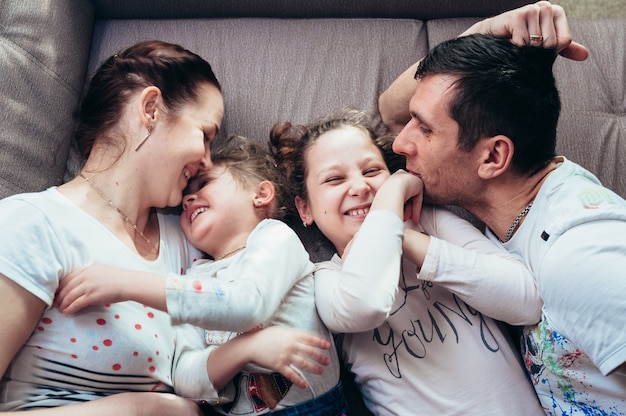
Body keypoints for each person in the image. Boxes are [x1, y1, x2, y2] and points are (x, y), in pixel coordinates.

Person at [0, 40, 330, 415]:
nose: (207, 160)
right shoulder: (32, 225)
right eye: (205, 135)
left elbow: (244, 299)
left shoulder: (191, 240)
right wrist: (136, 409)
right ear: (151, 108)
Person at [384, 30, 626, 416]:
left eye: (424, 129)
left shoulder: (581, 255)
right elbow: (388, 108)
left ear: (493, 157)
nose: (400, 143)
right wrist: (490, 29)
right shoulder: (524, 200)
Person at [269, 106, 545, 415]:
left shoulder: (431, 227)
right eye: (334, 179)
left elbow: (527, 299)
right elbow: (366, 304)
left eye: (372, 171)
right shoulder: (323, 278)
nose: (360, 186)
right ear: (304, 209)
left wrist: (408, 240)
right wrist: (390, 207)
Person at [55, 135, 348, 415]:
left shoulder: (275, 238)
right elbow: (185, 379)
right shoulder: (195, 276)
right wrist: (245, 349)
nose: (188, 199)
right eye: (185, 195)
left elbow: (247, 305)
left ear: (261, 194)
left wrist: (125, 283)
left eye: (204, 183)